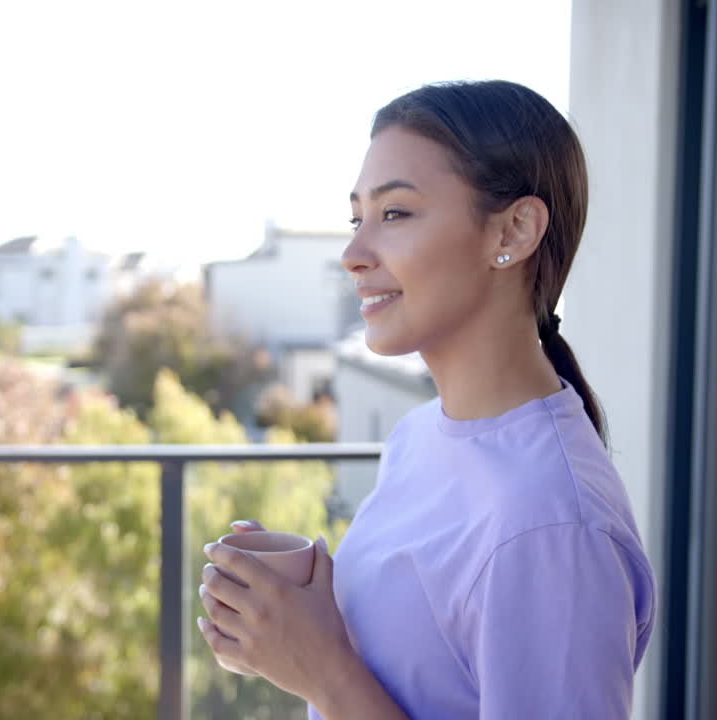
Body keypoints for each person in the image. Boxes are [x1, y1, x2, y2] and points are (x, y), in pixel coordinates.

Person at [196, 80, 657, 719]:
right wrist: (295, 625)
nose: (353, 255)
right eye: (358, 218)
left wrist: (325, 673)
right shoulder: (421, 436)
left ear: (516, 229)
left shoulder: (552, 532)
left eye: (395, 214)